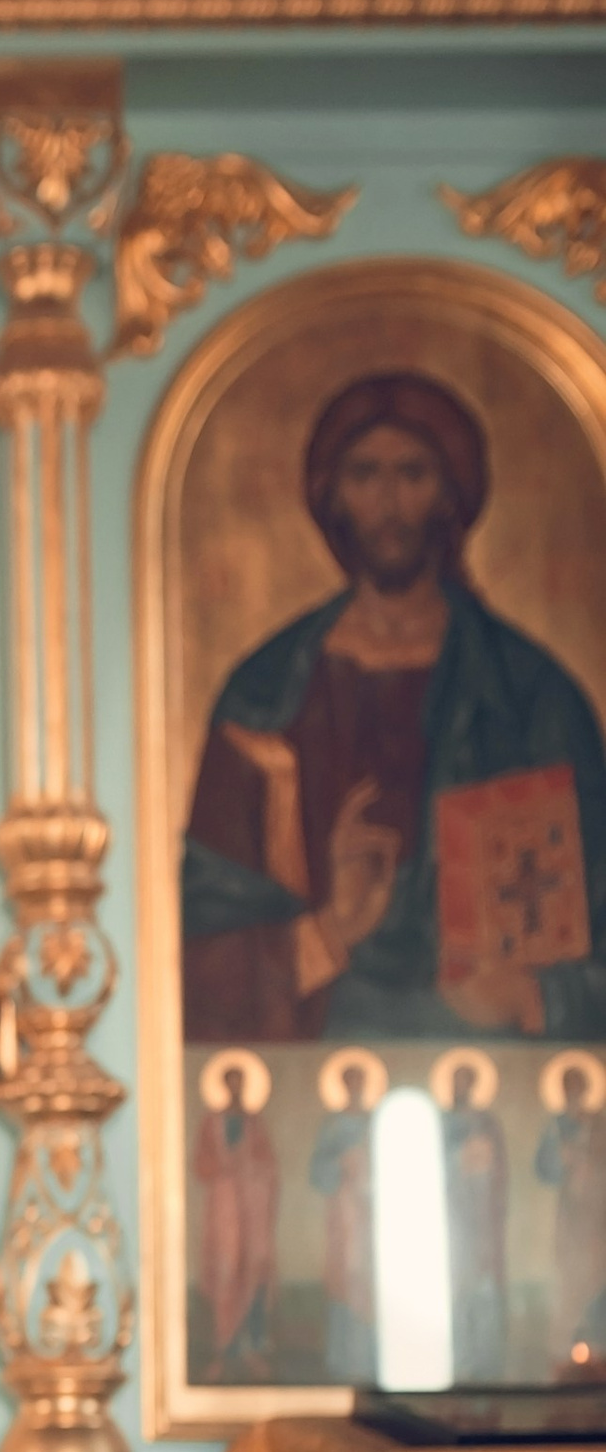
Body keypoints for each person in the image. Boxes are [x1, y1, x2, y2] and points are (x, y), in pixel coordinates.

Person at [181, 369, 606, 1048]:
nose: (389, 503)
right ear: (332, 496)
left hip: (496, 1052)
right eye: (364, 475)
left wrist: (536, 996)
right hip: (313, 1043)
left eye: (413, 474)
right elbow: (194, 949)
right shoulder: (265, 695)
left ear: (450, 496)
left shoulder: (531, 694)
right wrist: (329, 930)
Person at [192, 1061, 280, 1379]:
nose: (236, 1088)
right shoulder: (212, 1123)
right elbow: (201, 1164)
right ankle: (223, 1347)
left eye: (240, 1082)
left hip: (253, 1207)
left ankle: (251, 1347)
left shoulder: (255, 1123)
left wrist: (252, 1168)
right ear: (223, 1085)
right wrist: (225, 1167)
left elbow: (269, 1164)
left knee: (254, 1269)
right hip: (225, 1208)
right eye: (231, 1082)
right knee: (227, 1269)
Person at [308, 1058, 378, 1385]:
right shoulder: (332, 1125)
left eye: (359, 1080)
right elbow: (318, 1170)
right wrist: (341, 1163)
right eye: (349, 1081)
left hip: (373, 1211)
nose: (355, 1087)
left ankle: (371, 1356)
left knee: (370, 1276)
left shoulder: (376, 1120)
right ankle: (343, 1356)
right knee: (344, 1276)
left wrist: (370, 1169)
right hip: (343, 1210)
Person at [442, 1056, 510, 1379]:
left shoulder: (487, 1123)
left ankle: (487, 1360)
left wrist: (483, 1160)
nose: (462, 1087)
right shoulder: (442, 1123)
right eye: (457, 1081)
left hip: (483, 1219)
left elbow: (500, 1171)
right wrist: (458, 1158)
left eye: (467, 1080)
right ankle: (459, 1358)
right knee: (455, 1287)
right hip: (451, 1219)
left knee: (485, 1287)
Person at [536, 1059, 606, 1371]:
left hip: (597, 1213)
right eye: (568, 1086)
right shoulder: (556, 1126)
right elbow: (544, 1169)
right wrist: (562, 1160)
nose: (573, 1092)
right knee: (569, 1277)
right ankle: (565, 1351)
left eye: (578, 1085)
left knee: (596, 1274)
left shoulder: (598, 1124)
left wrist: (591, 1163)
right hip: (570, 1216)